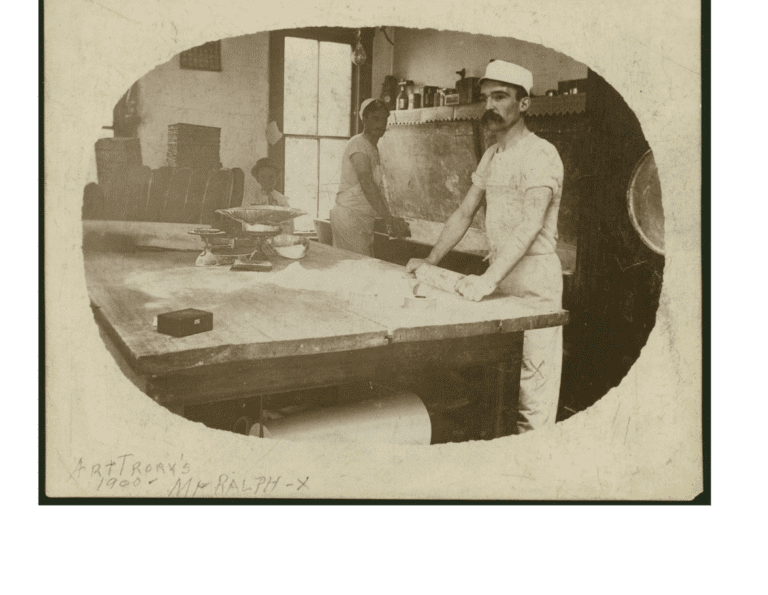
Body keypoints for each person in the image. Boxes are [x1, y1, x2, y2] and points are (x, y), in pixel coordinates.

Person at [405, 60, 565, 434]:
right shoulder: (492, 156)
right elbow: (463, 213)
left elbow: (530, 224)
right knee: (498, 387)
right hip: (500, 282)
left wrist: (487, 280)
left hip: (533, 286)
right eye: (485, 98)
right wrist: (428, 261)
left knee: (531, 395)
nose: (490, 106)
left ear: (524, 104)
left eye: (501, 97)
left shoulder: (541, 154)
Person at [330, 98, 408, 256]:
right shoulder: (358, 144)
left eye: (384, 119)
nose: (380, 123)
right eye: (375, 118)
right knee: (358, 270)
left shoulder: (372, 148)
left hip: (362, 218)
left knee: (362, 266)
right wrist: (388, 217)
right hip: (350, 218)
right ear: (364, 119)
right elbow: (366, 181)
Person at [243, 157, 294, 234]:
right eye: (263, 177)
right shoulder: (250, 198)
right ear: (257, 179)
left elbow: (289, 225)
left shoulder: (281, 199)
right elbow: (244, 222)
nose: (267, 180)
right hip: (256, 237)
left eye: (271, 177)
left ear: (276, 178)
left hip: (277, 239)